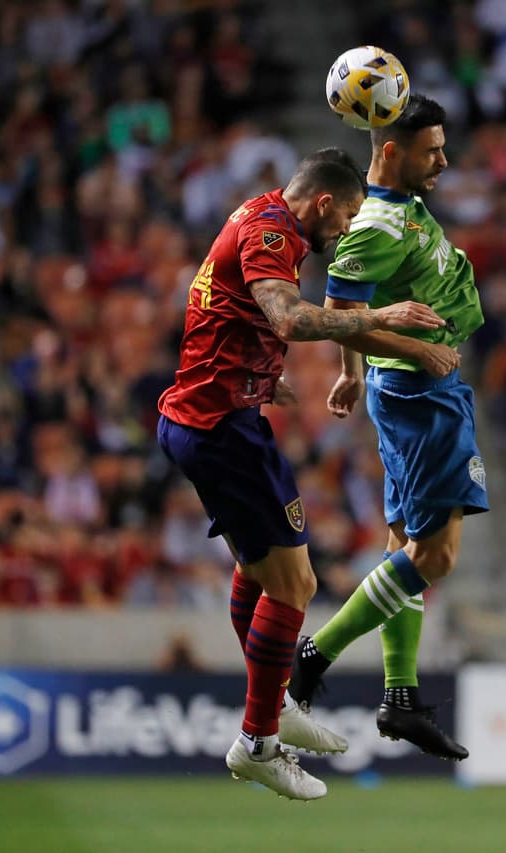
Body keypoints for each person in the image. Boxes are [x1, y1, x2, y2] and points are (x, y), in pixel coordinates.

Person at [156, 148, 445, 800]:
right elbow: (288, 316)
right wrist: (378, 316)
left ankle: (273, 702)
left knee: (262, 570)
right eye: (345, 217)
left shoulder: (258, 215)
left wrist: (261, 376)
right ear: (323, 202)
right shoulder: (272, 234)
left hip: (214, 416)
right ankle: (258, 740)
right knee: (297, 585)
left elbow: (229, 313)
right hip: (220, 430)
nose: (345, 230)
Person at [289, 95, 486, 761]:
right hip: (421, 394)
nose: (444, 161)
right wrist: (411, 352)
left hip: (413, 387)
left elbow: (353, 307)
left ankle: (400, 697)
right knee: (435, 555)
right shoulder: (375, 225)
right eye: (432, 150)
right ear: (393, 151)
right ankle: (315, 655)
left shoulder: (402, 205)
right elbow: (337, 309)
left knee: (405, 546)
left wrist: (353, 372)